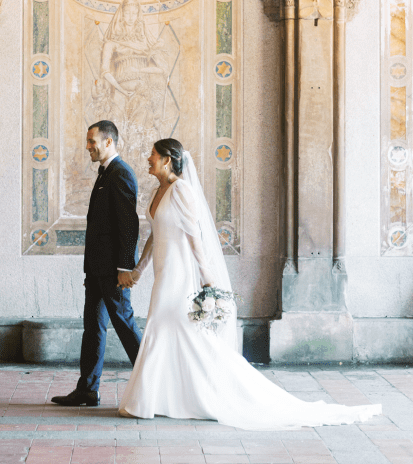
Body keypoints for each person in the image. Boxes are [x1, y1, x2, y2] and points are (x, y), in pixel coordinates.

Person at [119, 138, 382, 429]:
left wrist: (207, 277)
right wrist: (139, 269)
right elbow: (155, 235)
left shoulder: (181, 190)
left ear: (167, 159)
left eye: (153, 155)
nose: (148, 158)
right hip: (162, 272)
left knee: (164, 326)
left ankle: (155, 399)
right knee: (173, 330)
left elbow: (195, 237)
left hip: (180, 275)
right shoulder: (158, 192)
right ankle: (170, 397)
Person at [51, 120, 142, 407]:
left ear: (108, 142)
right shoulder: (106, 173)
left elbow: (128, 226)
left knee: (125, 326)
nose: (88, 146)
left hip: (113, 273)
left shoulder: (120, 174)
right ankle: (88, 389)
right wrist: (91, 268)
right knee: (93, 328)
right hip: (97, 271)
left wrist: (125, 268)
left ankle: (155, 381)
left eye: (92, 141)